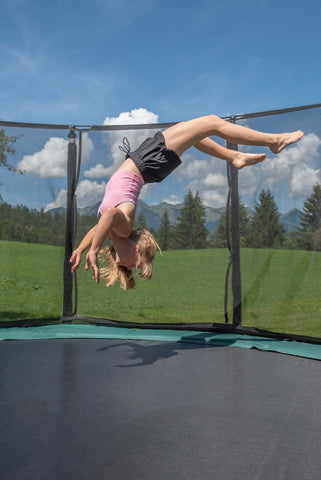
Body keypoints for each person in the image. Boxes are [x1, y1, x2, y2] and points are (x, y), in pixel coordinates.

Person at [70, 115, 304, 289]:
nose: (133, 267)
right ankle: (273, 141)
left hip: (147, 163)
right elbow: (109, 214)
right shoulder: (124, 228)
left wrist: (83, 249)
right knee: (211, 122)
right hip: (149, 163)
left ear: (136, 248)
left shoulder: (113, 233)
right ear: (136, 247)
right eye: (140, 264)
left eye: (136, 266)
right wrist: (94, 248)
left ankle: (236, 156)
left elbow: (99, 225)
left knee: (190, 130)